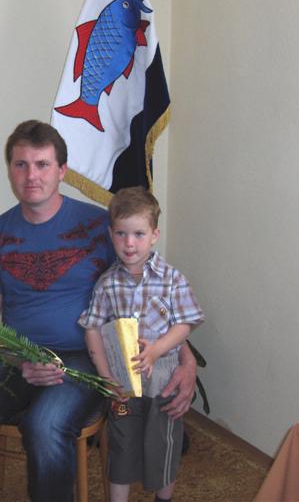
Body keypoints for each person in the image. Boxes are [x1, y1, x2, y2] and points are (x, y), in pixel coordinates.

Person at [0, 120, 197, 502]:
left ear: (62, 170)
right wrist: (20, 360)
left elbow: (150, 294)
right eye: (21, 164)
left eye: (42, 164)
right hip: (14, 355)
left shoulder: (101, 226)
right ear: (10, 170)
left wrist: (186, 359)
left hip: (84, 357)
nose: (31, 175)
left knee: (45, 425)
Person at [79, 186, 205, 502]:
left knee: (163, 443)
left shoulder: (172, 279)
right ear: (111, 234)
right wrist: (105, 375)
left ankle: (163, 498)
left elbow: (186, 323)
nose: (129, 243)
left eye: (139, 234)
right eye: (121, 234)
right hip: (122, 379)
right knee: (121, 442)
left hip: (163, 377)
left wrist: (157, 349)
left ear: (154, 235)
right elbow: (92, 329)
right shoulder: (106, 283)